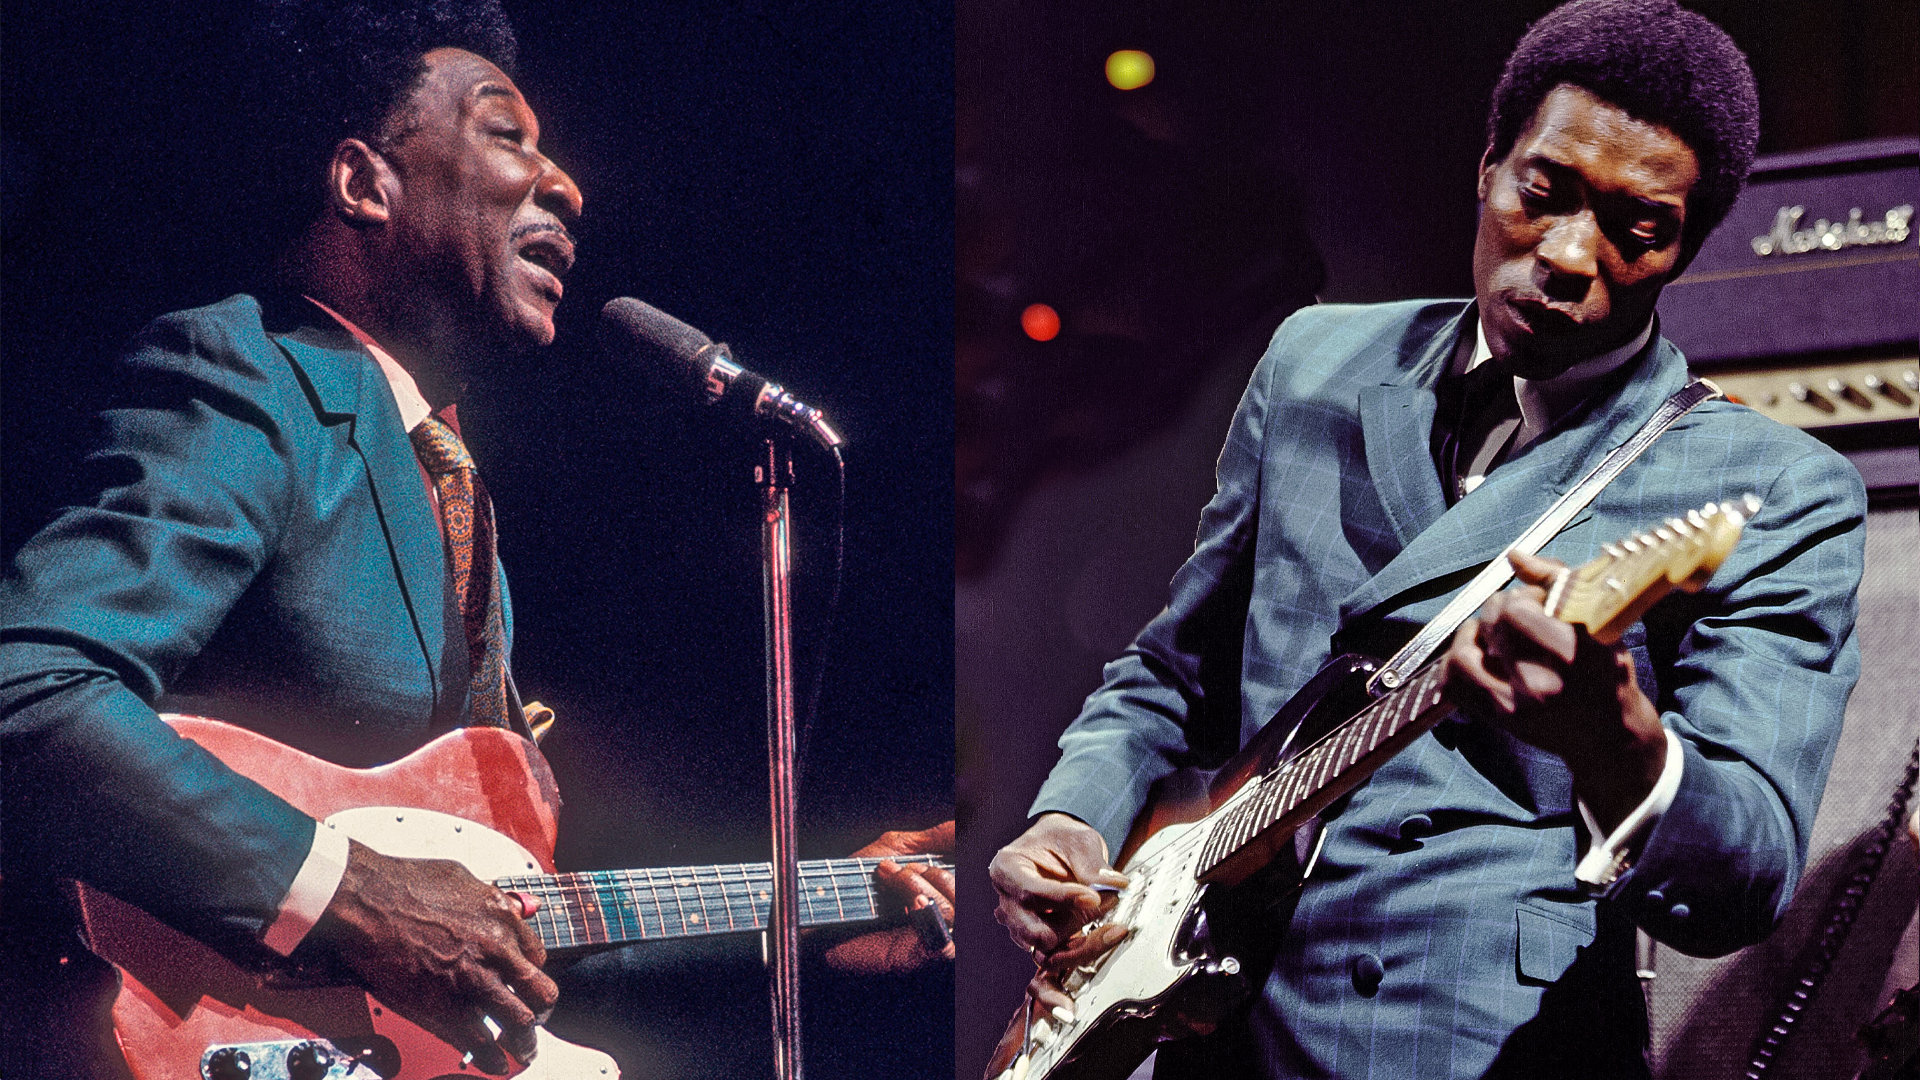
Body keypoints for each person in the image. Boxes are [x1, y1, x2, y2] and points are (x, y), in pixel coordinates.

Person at [0, 4, 951, 1077]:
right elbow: (29, 690)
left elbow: (493, 912)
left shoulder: (447, 481)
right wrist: (344, 894)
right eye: (509, 136)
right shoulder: (247, 375)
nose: (567, 187)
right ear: (365, 184)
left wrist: (821, 910)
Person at [987, 1, 1866, 1076]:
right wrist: (1073, 816)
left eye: (1637, 230)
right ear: (1487, 165)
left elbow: (1750, 876)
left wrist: (1618, 746)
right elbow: (1171, 675)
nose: (1570, 255)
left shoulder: (1774, 487)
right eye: (1542, 196)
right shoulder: (1314, 363)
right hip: (1219, 1025)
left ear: (1685, 247)